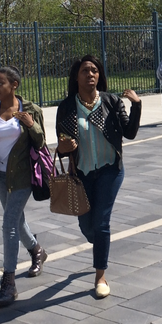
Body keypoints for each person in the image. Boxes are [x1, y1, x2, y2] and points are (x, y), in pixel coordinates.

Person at [56, 55, 141, 299]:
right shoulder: (67, 107)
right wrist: (63, 147)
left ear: (99, 76)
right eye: (85, 71)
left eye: (94, 70)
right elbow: (61, 144)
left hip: (110, 170)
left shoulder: (111, 101)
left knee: (102, 222)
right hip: (81, 173)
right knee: (87, 226)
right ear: (76, 76)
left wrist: (136, 105)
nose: (90, 74)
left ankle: (100, 276)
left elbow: (130, 133)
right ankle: (99, 244)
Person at [0, 66, 48, 308]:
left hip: (23, 176)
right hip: (0, 177)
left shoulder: (31, 110)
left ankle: (9, 283)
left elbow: (41, 141)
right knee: (15, 220)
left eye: (0, 83)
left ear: (14, 85)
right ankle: (37, 250)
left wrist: (31, 124)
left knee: (8, 224)